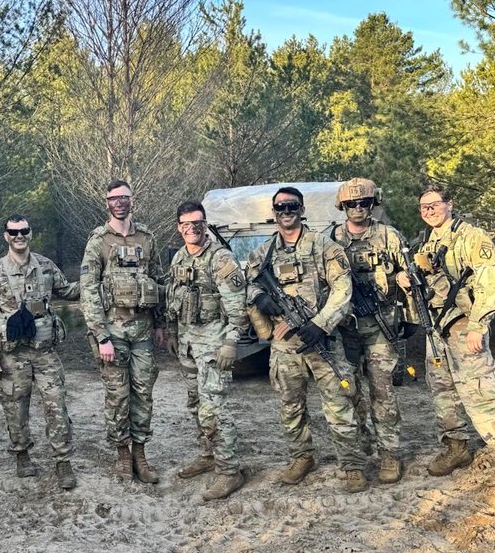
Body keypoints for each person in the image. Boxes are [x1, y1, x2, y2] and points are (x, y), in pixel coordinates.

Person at [246, 186, 367, 492]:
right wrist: (260, 297)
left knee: (340, 403)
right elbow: (245, 284)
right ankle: (302, 458)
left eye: (292, 207)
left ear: (301, 210)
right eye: (281, 207)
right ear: (274, 212)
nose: (286, 212)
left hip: (323, 339)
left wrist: (321, 324)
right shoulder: (263, 253)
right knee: (290, 405)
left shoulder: (323, 247)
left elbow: (343, 290)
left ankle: (351, 465)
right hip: (285, 344)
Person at [410, 185, 495, 487]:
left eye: (435, 205)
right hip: (437, 328)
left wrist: (479, 325)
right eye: (424, 207)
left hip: (465, 325)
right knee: (443, 394)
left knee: (478, 393)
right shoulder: (424, 241)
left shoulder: (472, 238)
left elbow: (491, 283)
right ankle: (457, 448)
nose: (429, 211)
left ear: (449, 204)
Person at [0, 214, 80, 489]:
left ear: (30, 233)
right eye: (13, 232)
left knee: (56, 405)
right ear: (5, 235)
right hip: (12, 353)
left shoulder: (45, 266)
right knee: (15, 409)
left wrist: (96, 282)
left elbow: (68, 290)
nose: (19, 236)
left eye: (24, 231)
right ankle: (22, 455)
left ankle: (62, 462)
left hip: (44, 352)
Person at [80, 179, 166, 482]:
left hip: (142, 329)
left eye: (124, 197)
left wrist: (160, 323)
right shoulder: (98, 241)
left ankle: (141, 454)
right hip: (113, 333)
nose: (120, 202)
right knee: (118, 395)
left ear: (132, 200)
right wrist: (101, 335)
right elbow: (88, 291)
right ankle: (122, 454)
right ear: (107, 203)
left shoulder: (147, 237)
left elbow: (158, 280)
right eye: (114, 198)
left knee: (144, 392)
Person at [166, 200, 249, 500]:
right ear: (178, 227)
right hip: (188, 345)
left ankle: (230, 471)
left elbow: (238, 307)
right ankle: (208, 454)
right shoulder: (178, 259)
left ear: (205, 225)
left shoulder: (221, 259)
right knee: (195, 405)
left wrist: (231, 342)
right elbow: (173, 300)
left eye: (198, 224)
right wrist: (174, 334)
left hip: (214, 346)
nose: (193, 229)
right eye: (186, 224)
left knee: (214, 408)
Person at [330, 178, 408, 484]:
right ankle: (359, 450)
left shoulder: (388, 236)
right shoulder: (332, 238)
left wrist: (407, 309)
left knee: (383, 392)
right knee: (350, 392)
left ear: (372, 204)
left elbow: (407, 276)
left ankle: (389, 453)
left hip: (380, 326)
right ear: (343, 207)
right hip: (346, 329)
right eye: (351, 204)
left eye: (364, 203)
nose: (358, 209)